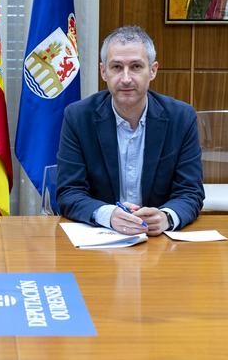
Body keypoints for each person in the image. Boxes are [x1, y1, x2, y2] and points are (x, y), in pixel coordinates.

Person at [56, 25, 204, 236]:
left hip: (160, 242)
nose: (126, 78)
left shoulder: (181, 118)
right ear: (103, 71)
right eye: (116, 67)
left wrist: (166, 217)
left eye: (136, 67)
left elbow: (191, 191)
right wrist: (108, 215)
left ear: (152, 71)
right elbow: (69, 192)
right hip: (100, 240)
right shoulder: (78, 117)